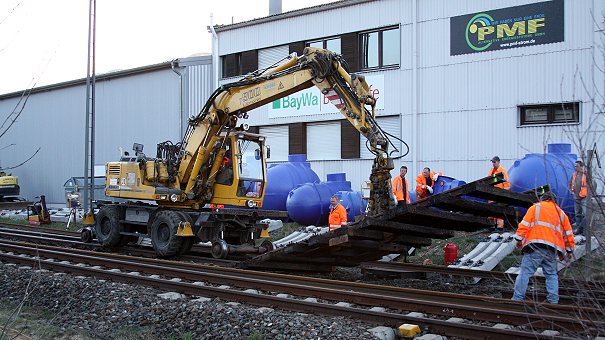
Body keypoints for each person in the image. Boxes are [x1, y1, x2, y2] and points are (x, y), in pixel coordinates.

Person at [511, 192, 575, 304]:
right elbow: (568, 233)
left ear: (542, 199)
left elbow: (524, 225)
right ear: (555, 201)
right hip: (552, 249)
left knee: (525, 273)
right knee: (551, 275)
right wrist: (569, 250)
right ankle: (553, 301)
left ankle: (517, 299)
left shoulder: (535, 208)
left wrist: (518, 239)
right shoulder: (561, 213)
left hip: (535, 245)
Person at [489, 156, 510, 231]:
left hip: (499, 193)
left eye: (494, 162)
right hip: (491, 193)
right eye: (492, 162)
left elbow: (506, 183)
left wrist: (505, 194)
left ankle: (500, 226)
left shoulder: (502, 171)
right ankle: (492, 225)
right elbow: (488, 181)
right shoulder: (491, 170)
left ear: (498, 162)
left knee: (499, 208)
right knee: (491, 209)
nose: (493, 164)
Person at [569, 160, 588, 235]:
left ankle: (585, 230)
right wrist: (571, 191)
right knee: (578, 214)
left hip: (584, 197)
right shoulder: (574, 175)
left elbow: (593, 184)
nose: (575, 167)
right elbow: (570, 183)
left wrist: (589, 194)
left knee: (586, 214)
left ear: (581, 166)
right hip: (576, 197)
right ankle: (579, 229)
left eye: (577, 166)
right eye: (575, 166)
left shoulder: (586, 175)